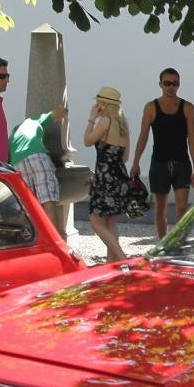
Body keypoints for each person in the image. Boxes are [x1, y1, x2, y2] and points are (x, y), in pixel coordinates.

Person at [131, 68, 194, 239]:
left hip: (181, 163)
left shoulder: (187, 107)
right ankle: (163, 244)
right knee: (160, 209)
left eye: (175, 83)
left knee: (182, 207)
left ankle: (177, 243)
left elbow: (192, 138)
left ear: (179, 85)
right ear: (160, 84)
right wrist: (136, 162)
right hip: (159, 163)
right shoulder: (151, 107)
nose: (171, 87)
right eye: (167, 83)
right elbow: (143, 136)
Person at [84, 86, 132, 263]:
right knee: (111, 222)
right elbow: (125, 157)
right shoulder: (124, 125)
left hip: (105, 177)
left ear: (104, 104)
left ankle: (122, 259)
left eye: (98, 102)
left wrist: (91, 119)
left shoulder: (105, 121)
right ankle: (113, 265)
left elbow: (87, 141)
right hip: (120, 176)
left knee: (96, 222)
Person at [9, 106, 68, 232]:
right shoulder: (32, 121)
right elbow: (56, 114)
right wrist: (64, 111)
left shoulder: (12, 137)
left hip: (17, 164)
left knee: (26, 205)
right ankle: (53, 239)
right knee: (48, 200)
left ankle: (27, 237)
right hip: (37, 157)